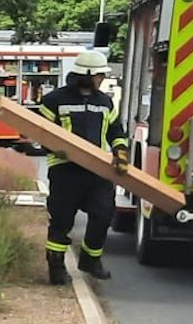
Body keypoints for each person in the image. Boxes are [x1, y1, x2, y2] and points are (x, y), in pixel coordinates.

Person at [38, 50, 127, 283]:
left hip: (97, 171)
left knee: (104, 213)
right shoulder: (54, 100)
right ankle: (56, 268)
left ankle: (90, 259)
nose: (102, 80)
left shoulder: (105, 102)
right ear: (87, 75)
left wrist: (120, 151)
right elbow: (41, 134)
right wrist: (54, 148)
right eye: (99, 75)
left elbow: (115, 130)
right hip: (65, 171)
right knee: (61, 220)